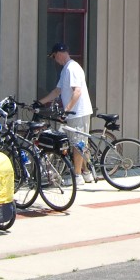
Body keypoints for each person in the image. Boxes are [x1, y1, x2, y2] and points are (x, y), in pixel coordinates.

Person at [39, 43, 95, 182]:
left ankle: (77, 176)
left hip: (78, 112)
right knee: (78, 143)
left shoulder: (72, 68)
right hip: (73, 113)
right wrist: (40, 102)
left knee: (77, 144)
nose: (54, 60)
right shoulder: (65, 69)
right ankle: (86, 173)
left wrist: (67, 110)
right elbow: (57, 91)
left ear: (59, 53)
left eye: (53, 56)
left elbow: (77, 91)